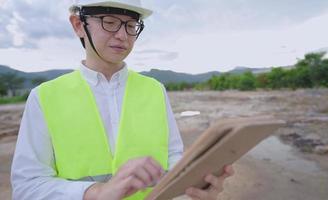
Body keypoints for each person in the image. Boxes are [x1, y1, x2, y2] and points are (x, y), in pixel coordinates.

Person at [11, 0, 234, 199]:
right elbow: (27, 186)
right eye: (109, 21)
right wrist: (95, 193)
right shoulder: (44, 97)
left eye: (130, 25)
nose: (122, 35)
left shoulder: (155, 89)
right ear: (79, 25)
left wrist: (194, 189)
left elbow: (173, 161)